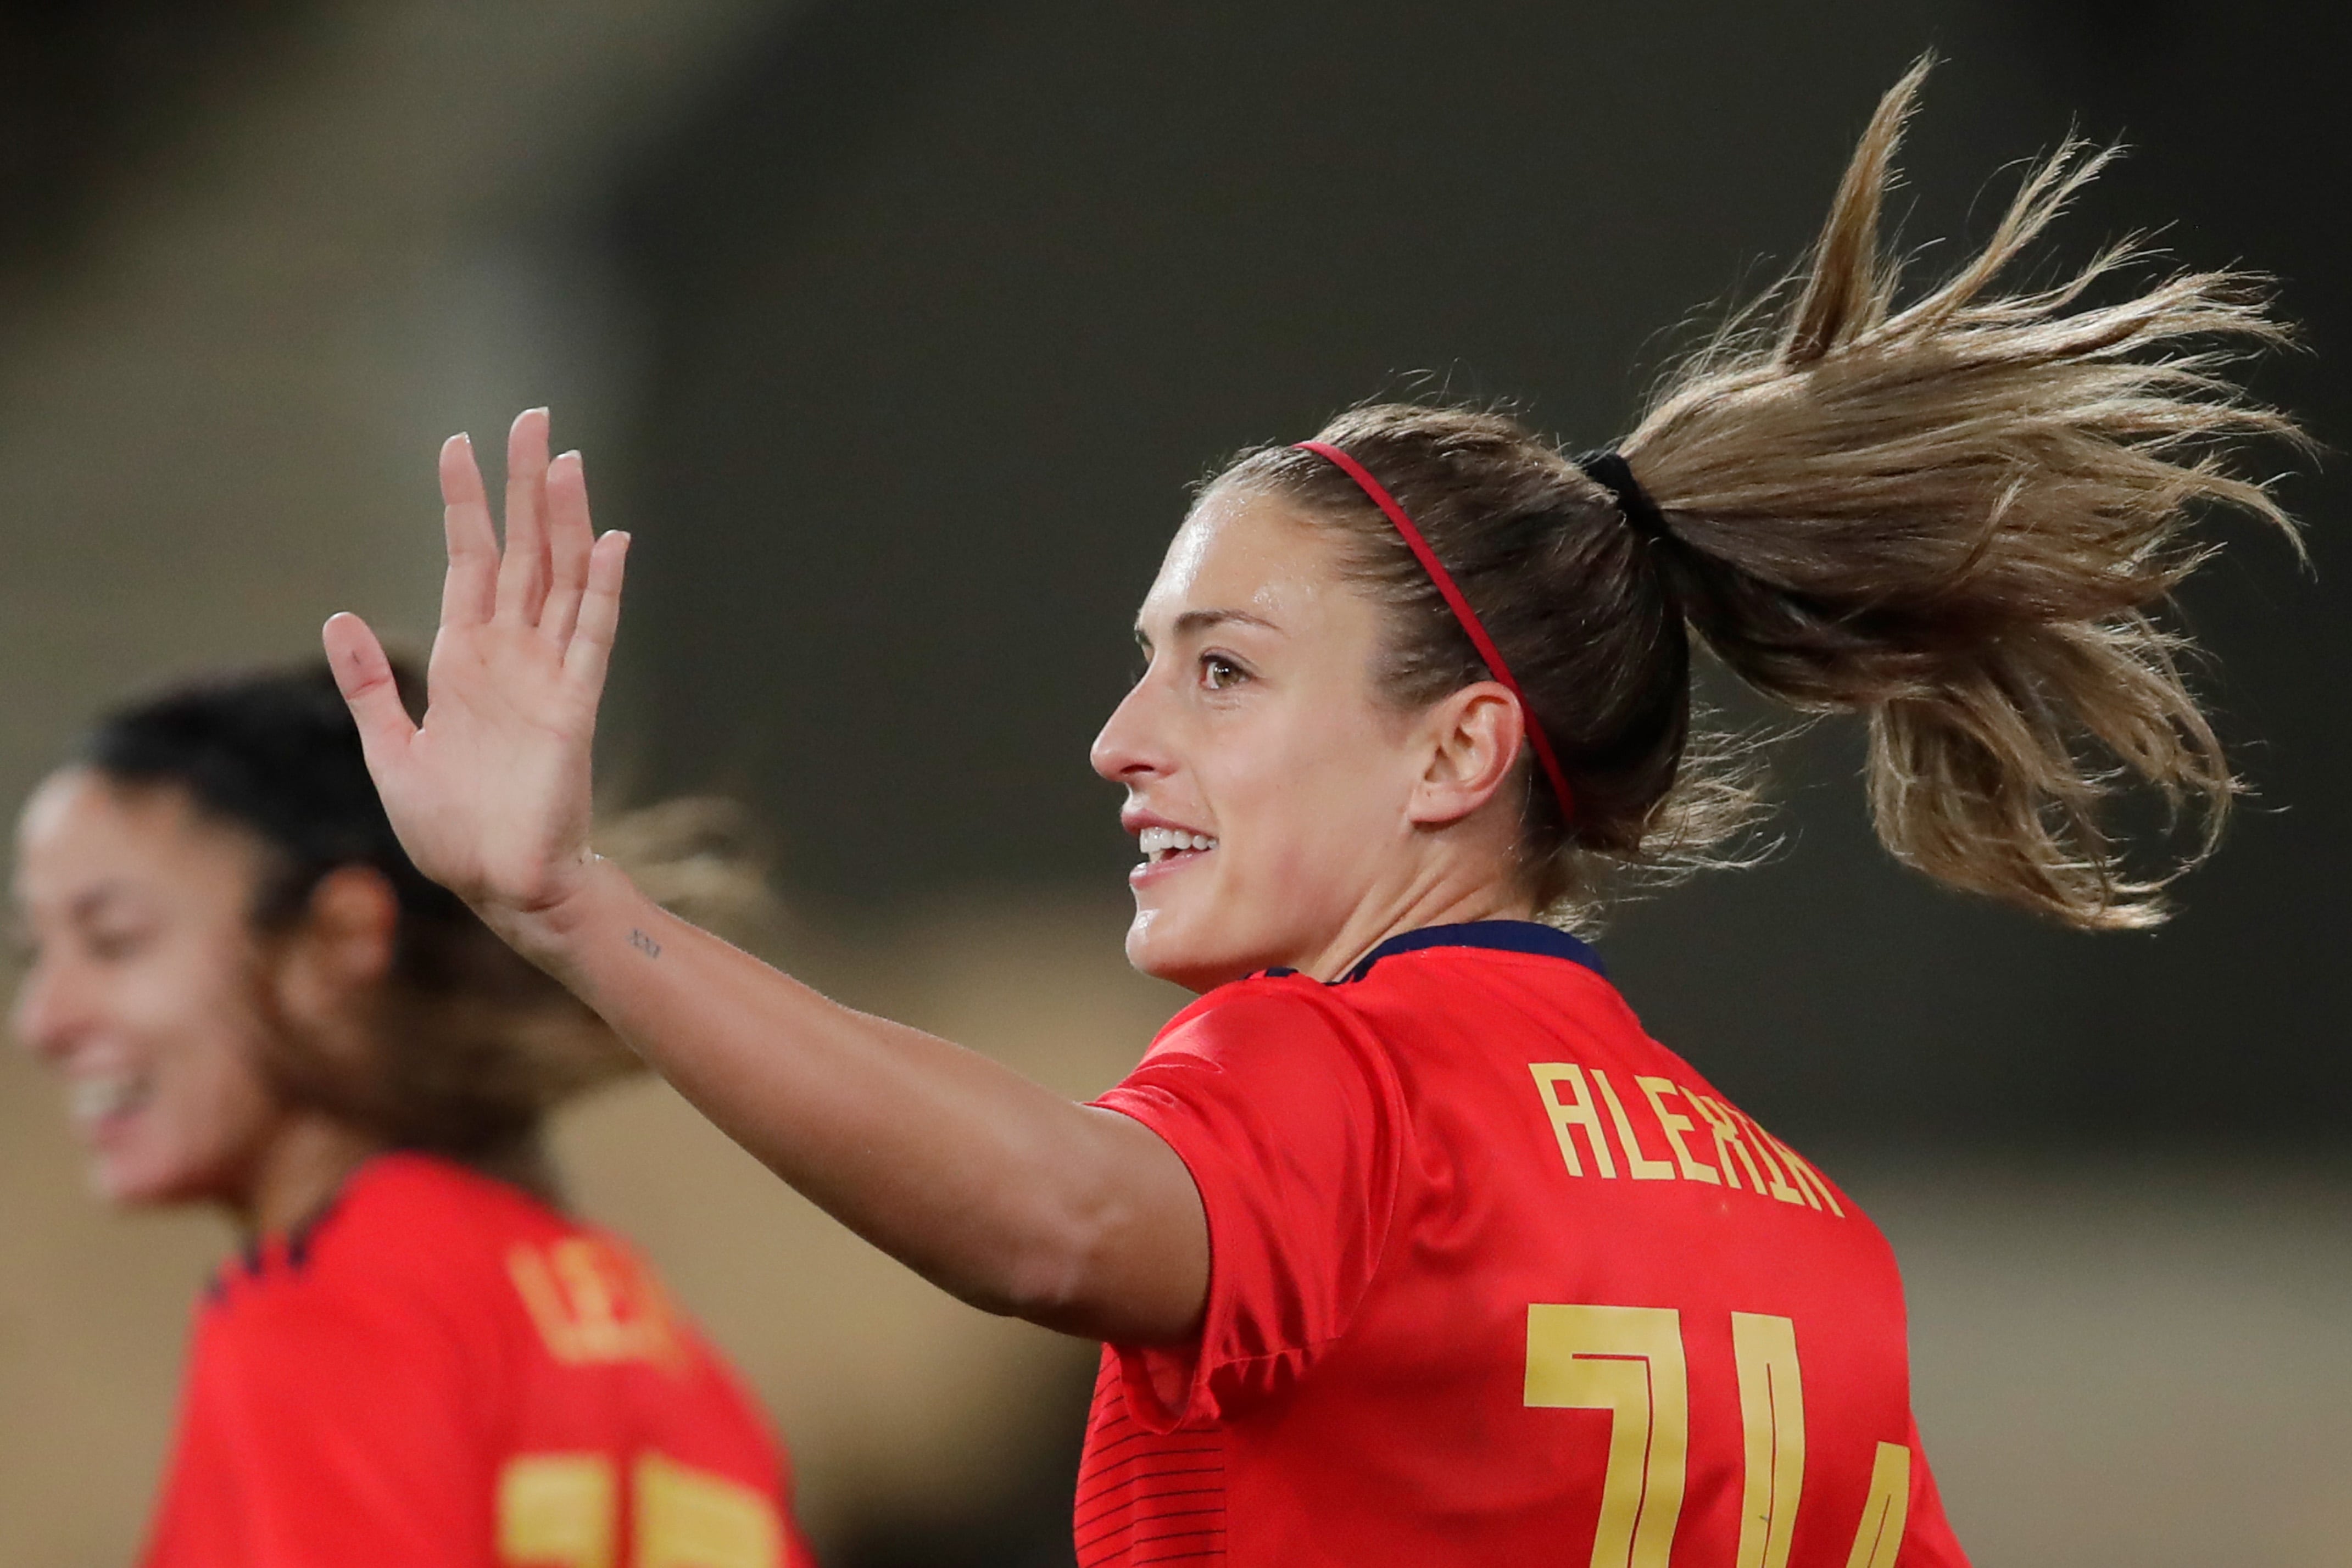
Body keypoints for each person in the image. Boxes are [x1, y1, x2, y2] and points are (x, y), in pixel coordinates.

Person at [322, 62, 2299, 1567]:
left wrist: (570, 903)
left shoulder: (1347, 1088)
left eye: (1220, 666)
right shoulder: (1807, 1237)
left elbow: (1046, 1216)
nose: (1119, 735)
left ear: (1458, 754)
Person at [10, 661, 817, 1568]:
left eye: (114, 941)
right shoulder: (644, 1332)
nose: (42, 1021)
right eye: (33, 954)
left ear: (340, 941)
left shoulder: (323, 1313)